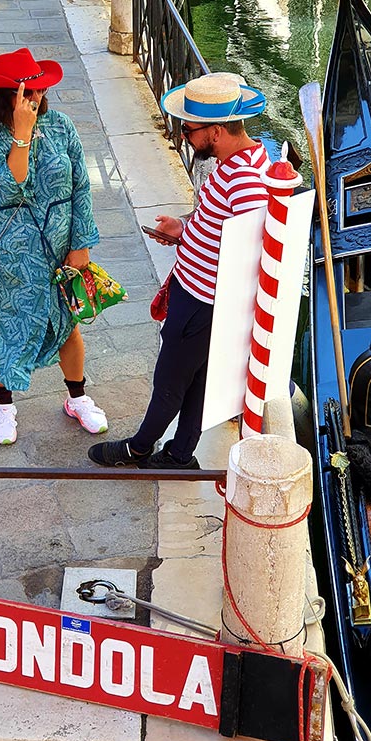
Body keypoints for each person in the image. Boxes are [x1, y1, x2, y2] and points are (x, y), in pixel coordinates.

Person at [88, 71, 270, 470]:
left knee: (170, 381)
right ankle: (180, 455)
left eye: (189, 131)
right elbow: (221, 227)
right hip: (198, 295)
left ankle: (139, 449)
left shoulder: (246, 183)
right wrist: (184, 229)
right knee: (199, 381)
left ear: (216, 131)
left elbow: (251, 251)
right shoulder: (238, 162)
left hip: (202, 302)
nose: (184, 136)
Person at [0, 47, 107, 446]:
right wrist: (22, 133)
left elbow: (81, 186)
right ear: (5, 96)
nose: (36, 98)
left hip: (62, 244)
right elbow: (12, 182)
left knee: (67, 323)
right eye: (26, 92)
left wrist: (81, 243)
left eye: (39, 90)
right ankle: (3, 406)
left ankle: (77, 398)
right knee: (9, 324)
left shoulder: (61, 126)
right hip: (15, 251)